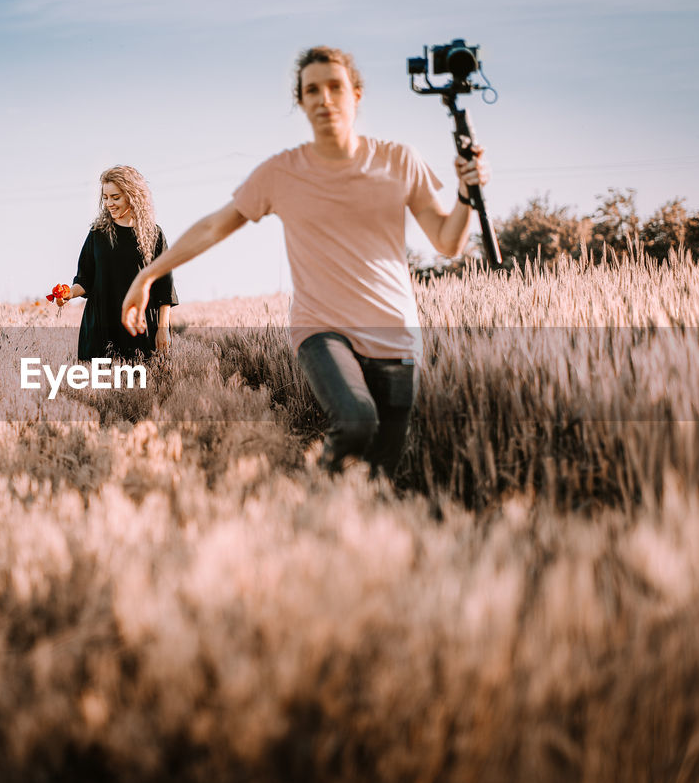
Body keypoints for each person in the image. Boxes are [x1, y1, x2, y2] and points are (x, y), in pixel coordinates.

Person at [121, 46, 490, 480]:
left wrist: (467, 194)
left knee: (380, 473)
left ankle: (339, 526)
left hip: (395, 332)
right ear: (301, 101)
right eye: (312, 90)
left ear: (356, 94)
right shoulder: (282, 172)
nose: (324, 98)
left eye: (335, 87)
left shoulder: (399, 160)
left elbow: (447, 242)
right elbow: (214, 226)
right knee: (356, 421)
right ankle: (314, 490)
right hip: (322, 329)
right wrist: (149, 273)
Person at [58, 165, 178, 361]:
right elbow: (85, 280)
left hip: (141, 328)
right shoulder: (97, 234)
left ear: (133, 196)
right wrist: (68, 294)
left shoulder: (154, 234)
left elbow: (165, 288)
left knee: (142, 388)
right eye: (105, 198)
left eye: (115, 197)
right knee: (100, 388)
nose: (109, 204)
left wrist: (163, 329)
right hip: (101, 328)